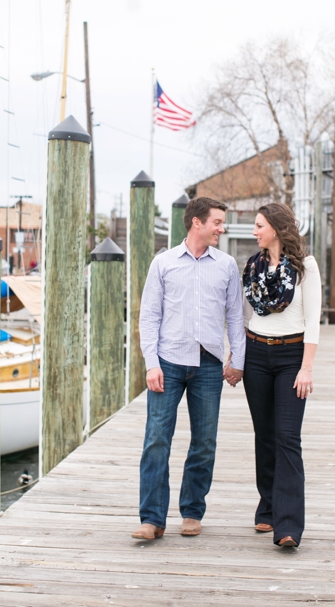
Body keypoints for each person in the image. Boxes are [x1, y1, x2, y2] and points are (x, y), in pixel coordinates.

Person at [132, 196, 246, 540]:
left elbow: (235, 317)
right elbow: (149, 317)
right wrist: (151, 363)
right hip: (167, 362)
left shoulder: (226, 265)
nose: (221, 229)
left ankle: (192, 511)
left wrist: (237, 361)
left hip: (209, 365)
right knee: (156, 440)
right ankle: (152, 519)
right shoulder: (164, 263)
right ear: (197, 222)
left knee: (205, 441)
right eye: (217, 222)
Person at [241, 202, 321, 549]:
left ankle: (288, 526)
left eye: (259, 225)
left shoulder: (306, 268)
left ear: (275, 227)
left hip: (291, 356)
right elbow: (243, 315)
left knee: (288, 436)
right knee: (264, 434)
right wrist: (237, 357)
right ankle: (269, 506)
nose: (254, 231)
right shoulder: (253, 267)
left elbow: (313, 322)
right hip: (256, 353)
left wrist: (306, 368)